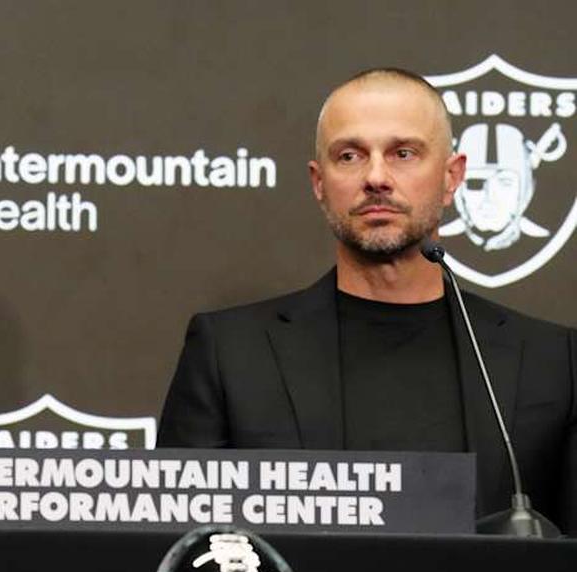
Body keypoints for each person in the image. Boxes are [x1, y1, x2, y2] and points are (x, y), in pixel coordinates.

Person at [159, 68, 576, 533]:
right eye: (350, 155)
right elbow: (182, 555)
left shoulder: (553, 363)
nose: (376, 177)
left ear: (451, 176)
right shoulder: (230, 354)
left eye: (403, 153)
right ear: (319, 183)